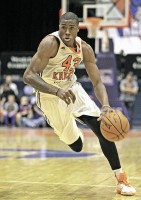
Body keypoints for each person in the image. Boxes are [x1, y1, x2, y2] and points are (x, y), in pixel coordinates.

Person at [23, 12, 136, 196]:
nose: (66, 32)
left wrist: (105, 106)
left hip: (72, 88)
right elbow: (28, 76)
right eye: (63, 27)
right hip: (50, 96)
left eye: (71, 28)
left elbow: (97, 82)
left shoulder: (85, 48)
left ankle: (121, 178)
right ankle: (74, 130)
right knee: (76, 146)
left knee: (102, 127)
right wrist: (57, 91)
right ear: (59, 27)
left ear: (77, 29)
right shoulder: (50, 43)